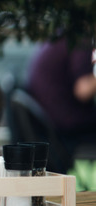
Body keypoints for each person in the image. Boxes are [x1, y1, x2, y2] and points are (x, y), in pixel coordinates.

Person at [26, 35, 96, 168]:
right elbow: (83, 90)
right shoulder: (79, 37)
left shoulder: (60, 36)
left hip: (47, 124)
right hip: (65, 129)